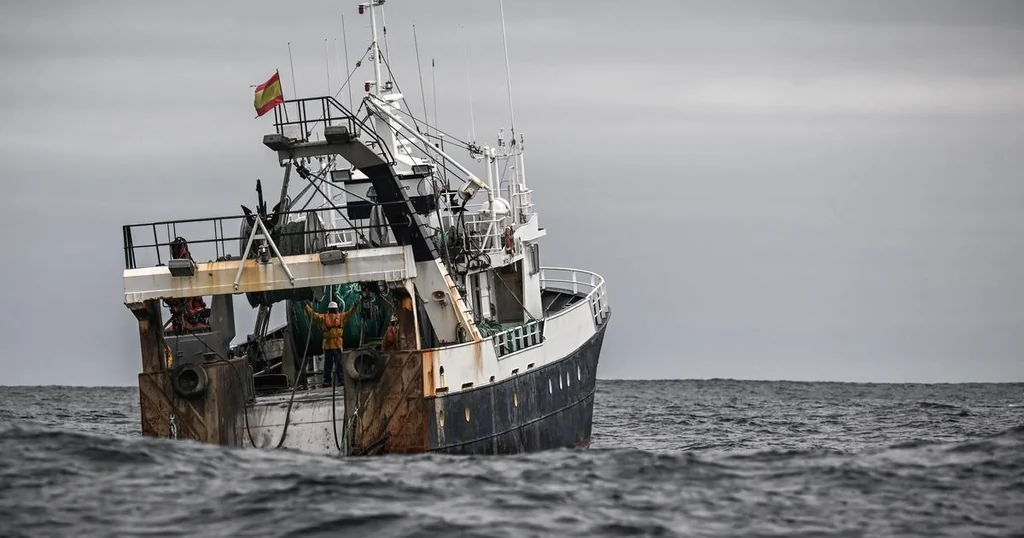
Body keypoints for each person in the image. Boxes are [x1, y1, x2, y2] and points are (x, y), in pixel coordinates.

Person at [304, 300, 358, 388]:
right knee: (338, 363)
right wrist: (355, 305)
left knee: (328, 364)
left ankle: (327, 381)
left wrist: (305, 306)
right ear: (336, 309)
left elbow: (313, 315)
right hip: (337, 344)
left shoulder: (323, 318)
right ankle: (341, 379)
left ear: (328, 310)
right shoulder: (341, 317)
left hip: (328, 345)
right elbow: (350, 313)